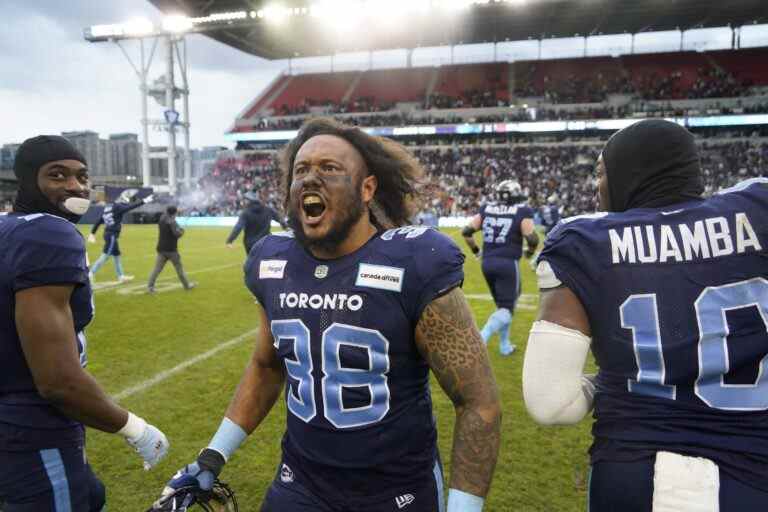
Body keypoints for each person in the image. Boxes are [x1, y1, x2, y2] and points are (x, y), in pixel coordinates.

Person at [162, 118, 501, 512]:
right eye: (301, 170)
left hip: (395, 492)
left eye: (329, 168)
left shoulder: (415, 262)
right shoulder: (273, 262)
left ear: (367, 188)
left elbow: (478, 403)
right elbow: (267, 365)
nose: (310, 178)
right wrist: (213, 455)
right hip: (301, 482)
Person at [523, 119, 768, 511]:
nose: (596, 186)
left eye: (601, 173)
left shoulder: (585, 241)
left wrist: (610, 381)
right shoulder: (758, 208)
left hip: (640, 474)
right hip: (754, 472)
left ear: (630, 173)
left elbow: (550, 403)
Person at [0, 136, 169, 511]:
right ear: (28, 180)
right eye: (57, 175)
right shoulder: (49, 232)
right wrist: (134, 428)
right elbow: (57, 381)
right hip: (35, 428)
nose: (75, 186)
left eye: (82, 176)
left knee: (91, 495)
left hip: (14, 423)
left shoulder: (9, 228)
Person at [462, 180, 539, 355]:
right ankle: (481, 338)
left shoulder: (486, 208)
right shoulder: (522, 210)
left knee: (503, 307)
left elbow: (467, 232)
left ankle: (505, 346)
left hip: (487, 263)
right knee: (507, 308)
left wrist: (476, 251)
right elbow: (532, 239)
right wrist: (529, 253)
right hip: (507, 263)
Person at [87, 189, 153, 283]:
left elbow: (99, 221)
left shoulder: (109, 207)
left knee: (117, 256)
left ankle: (121, 276)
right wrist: (144, 201)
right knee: (105, 256)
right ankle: (90, 273)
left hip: (109, 234)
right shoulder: (118, 207)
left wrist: (92, 233)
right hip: (112, 235)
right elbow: (129, 207)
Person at [147, 205, 195, 294]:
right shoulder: (172, 222)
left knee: (156, 269)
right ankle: (187, 285)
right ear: (174, 213)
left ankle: (150, 287)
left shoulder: (162, 218)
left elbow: (170, 218)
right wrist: (182, 231)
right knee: (179, 269)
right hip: (171, 250)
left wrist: (176, 218)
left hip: (161, 248)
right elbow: (177, 234)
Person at [225, 190, 287, 255]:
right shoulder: (268, 210)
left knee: (252, 263)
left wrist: (230, 240)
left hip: (250, 244)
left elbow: (238, 227)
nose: (243, 202)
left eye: (244, 200)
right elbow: (280, 218)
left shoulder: (246, 213)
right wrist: (285, 226)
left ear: (248, 201)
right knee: (264, 262)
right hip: (265, 242)